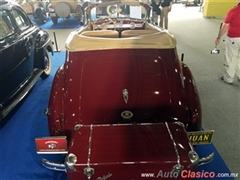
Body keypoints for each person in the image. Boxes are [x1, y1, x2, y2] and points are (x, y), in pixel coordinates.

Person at [215, 0, 240, 84]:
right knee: (239, 57)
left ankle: (228, 78)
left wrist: (219, 37)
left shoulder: (233, 11)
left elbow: (225, 25)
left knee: (231, 58)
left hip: (234, 38)